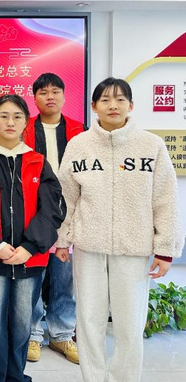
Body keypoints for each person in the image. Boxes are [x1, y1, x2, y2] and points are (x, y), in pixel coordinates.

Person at [56, 77, 183, 382]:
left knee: (129, 325)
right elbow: (66, 198)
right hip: (89, 247)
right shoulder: (79, 145)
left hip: (133, 248)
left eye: (120, 99)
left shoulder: (150, 145)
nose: (113, 105)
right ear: (93, 106)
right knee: (89, 322)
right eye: (105, 100)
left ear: (131, 105)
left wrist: (165, 248)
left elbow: (165, 199)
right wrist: (62, 238)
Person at [0, 94, 66, 382]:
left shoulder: (37, 161)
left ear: (26, 122)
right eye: (4, 116)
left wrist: (29, 246)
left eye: (17, 116)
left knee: (22, 322)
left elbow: (52, 209)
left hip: (30, 259)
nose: (10, 122)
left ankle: (16, 376)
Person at [22, 73, 85, 365]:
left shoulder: (79, 130)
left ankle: (61, 334)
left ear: (63, 95)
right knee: (34, 276)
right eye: (43, 92)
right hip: (34, 212)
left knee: (64, 277)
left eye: (55, 91)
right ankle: (33, 334)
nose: (50, 96)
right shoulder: (24, 128)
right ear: (34, 98)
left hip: (70, 212)